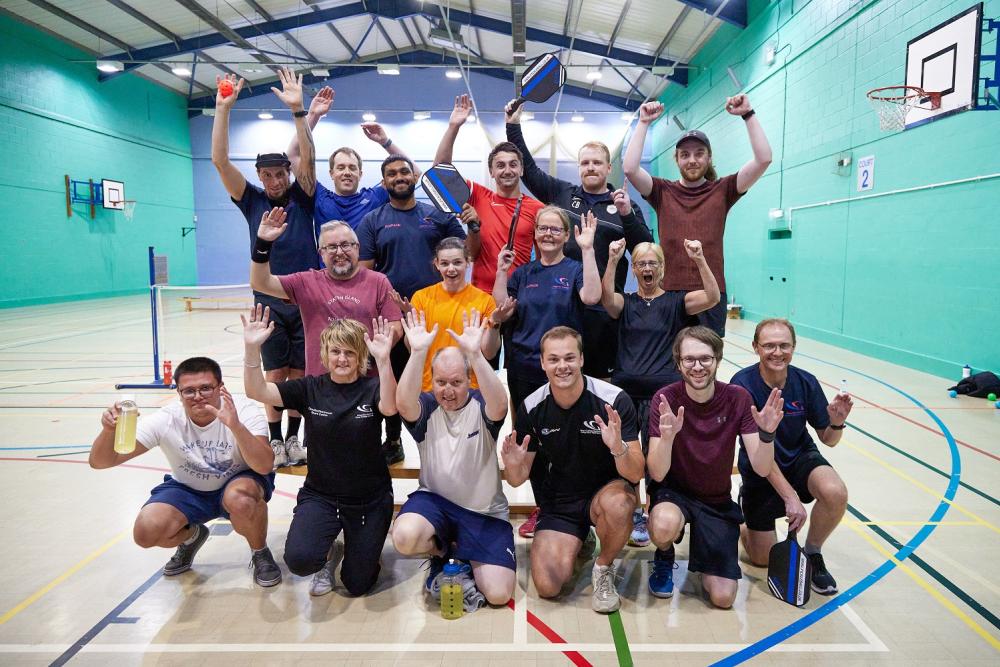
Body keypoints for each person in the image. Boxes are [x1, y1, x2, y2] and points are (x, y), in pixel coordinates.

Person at [242, 306, 396, 597]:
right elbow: (257, 391)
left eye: (350, 352)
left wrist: (384, 360)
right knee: (300, 561)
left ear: (361, 356)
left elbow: (390, 407)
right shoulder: (309, 388)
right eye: (336, 351)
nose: (342, 359)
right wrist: (252, 350)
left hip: (369, 498)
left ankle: (360, 550)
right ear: (325, 354)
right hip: (322, 496)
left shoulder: (373, 388)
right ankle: (329, 550)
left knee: (357, 584)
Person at [89, 357, 281, 586]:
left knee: (240, 498)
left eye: (206, 388)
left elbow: (264, 465)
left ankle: (260, 552)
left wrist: (235, 426)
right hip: (189, 488)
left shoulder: (243, 410)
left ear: (221, 388)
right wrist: (109, 430)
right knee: (145, 531)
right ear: (179, 394)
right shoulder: (167, 419)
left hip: (239, 481)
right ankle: (192, 537)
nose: (198, 396)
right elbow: (100, 462)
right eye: (189, 391)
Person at [211, 68, 318, 466]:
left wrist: (299, 111)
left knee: (301, 378)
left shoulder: (303, 196)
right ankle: (275, 440)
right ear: (259, 176)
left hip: (304, 298)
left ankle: (295, 438)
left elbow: (308, 154)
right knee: (275, 376)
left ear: (288, 174)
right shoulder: (251, 199)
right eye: (267, 174)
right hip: (268, 302)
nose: (274, 180)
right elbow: (220, 161)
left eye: (279, 173)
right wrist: (223, 109)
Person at [505, 99, 652, 379]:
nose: (591, 167)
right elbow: (530, 171)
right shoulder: (563, 194)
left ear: (609, 168)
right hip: (561, 307)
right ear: (579, 167)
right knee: (559, 377)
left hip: (602, 311)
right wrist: (513, 127)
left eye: (597, 163)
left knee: (599, 382)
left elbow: (645, 248)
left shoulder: (624, 206)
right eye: (585, 163)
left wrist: (627, 216)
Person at [502, 326, 644, 613]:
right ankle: (583, 538)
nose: (562, 366)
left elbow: (636, 473)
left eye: (569, 358)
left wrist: (618, 447)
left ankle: (603, 568)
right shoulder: (531, 407)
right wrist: (512, 465)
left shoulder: (613, 400)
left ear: (581, 359)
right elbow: (517, 481)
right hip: (560, 501)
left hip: (605, 493)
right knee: (548, 586)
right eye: (553, 359)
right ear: (542, 363)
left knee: (619, 505)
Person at [645, 326, 781, 607]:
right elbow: (657, 473)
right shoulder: (664, 399)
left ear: (717, 360)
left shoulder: (738, 398)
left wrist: (767, 435)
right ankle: (665, 554)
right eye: (689, 359)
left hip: (715, 499)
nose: (698, 367)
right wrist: (668, 438)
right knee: (662, 527)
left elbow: (761, 467)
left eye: (705, 359)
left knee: (722, 598)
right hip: (674, 493)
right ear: (678, 362)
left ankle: (726, 531)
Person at [391, 309, 515, 607]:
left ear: (469, 381)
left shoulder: (482, 405)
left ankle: (461, 556)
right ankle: (443, 555)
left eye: (457, 382)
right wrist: (418, 352)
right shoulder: (427, 408)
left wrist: (475, 354)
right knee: (404, 536)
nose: (448, 390)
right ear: (432, 382)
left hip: (485, 513)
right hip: (435, 504)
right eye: (441, 382)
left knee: (498, 595)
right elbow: (403, 403)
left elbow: (501, 404)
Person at [601, 238, 720, 547]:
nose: (647, 268)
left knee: (657, 460)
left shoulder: (676, 302)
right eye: (641, 263)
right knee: (628, 457)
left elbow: (712, 296)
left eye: (653, 262)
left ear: (662, 268)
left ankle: (656, 510)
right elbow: (606, 299)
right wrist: (613, 260)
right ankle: (635, 512)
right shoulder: (626, 302)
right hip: (626, 395)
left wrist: (699, 258)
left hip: (662, 398)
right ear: (635, 270)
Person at [622, 95, 772, 337]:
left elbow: (764, 159)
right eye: (685, 155)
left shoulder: (724, 189)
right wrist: (643, 123)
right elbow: (629, 168)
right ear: (677, 159)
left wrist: (748, 114)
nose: (692, 160)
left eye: (699, 153)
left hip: (712, 292)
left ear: (709, 157)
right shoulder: (662, 191)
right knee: (670, 362)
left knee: (706, 362)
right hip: (669, 293)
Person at [493, 207, 601, 539]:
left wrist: (588, 249)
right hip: (525, 369)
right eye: (543, 228)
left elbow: (593, 296)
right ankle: (544, 508)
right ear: (535, 233)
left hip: (565, 371)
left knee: (572, 442)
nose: (549, 234)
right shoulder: (523, 274)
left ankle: (578, 508)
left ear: (567, 235)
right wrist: (500, 271)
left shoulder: (575, 269)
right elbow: (501, 307)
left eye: (556, 229)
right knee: (532, 441)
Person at [356, 155, 469, 464]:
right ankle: (392, 439)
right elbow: (365, 273)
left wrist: (473, 223)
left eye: (404, 171)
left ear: (414, 177)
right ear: (385, 182)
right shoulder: (373, 220)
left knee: (438, 377)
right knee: (388, 378)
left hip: (434, 315)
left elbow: (465, 251)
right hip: (391, 318)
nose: (399, 176)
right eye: (391, 173)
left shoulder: (438, 216)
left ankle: (443, 438)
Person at [730, 318, 851, 594]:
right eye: (769, 345)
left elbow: (828, 440)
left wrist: (836, 423)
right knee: (762, 559)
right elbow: (759, 456)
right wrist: (790, 496)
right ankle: (742, 524)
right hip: (761, 468)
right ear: (755, 348)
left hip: (799, 457)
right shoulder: (742, 385)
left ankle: (813, 553)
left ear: (794, 347)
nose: (777, 352)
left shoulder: (805, 382)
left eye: (784, 345)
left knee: (835, 492)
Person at [249, 212, 402, 415]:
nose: (339, 252)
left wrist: (371, 352)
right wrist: (263, 244)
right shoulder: (306, 282)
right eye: (331, 247)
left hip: (365, 386)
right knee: (319, 444)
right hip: (319, 387)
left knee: (364, 444)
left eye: (346, 245)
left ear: (357, 248)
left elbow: (395, 325)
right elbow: (260, 282)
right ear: (321, 253)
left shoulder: (378, 282)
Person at [434, 94, 545, 293]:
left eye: (513, 164)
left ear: (521, 170)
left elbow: (543, 258)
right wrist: (453, 127)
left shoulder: (537, 209)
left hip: (519, 296)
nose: (507, 170)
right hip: (480, 296)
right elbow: (440, 174)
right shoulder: (478, 195)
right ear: (492, 172)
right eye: (500, 165)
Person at [286, 86, 421, 232]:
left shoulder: (374, 197)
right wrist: (313, 115)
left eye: (352, 167)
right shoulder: (319, 196)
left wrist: (385, 142)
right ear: (331, 173)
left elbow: (415, 173)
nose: (347, 172)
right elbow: (292, 155)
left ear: (360, 174)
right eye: (341, 167)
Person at [402, 237, 516, 392]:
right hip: (430, 388)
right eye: (444, 263)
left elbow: (489, 353)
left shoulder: (484, 301)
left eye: (457, 262)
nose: (451, 269)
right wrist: (410, 324)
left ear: (467, 262)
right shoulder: (421, 298)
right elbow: (411, 349)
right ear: (436, 264)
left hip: (471, 389)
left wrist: (495, 323)